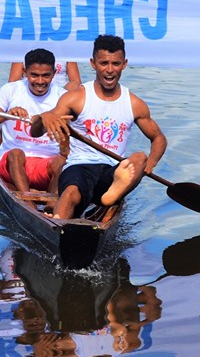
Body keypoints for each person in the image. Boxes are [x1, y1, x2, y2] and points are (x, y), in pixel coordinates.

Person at [31, 35, 167, 220]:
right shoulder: (75, 98)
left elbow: (158, 138)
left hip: (111, 172)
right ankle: (58, 227)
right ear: (93, 63)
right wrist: (42, 118)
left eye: (115, 63)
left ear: (124, 64)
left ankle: (113, 192)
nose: (110, 70)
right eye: (104, 63)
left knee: (140, 158)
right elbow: (36, 132)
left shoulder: (134, 104)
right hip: (79, 167)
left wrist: (150, 165)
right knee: (71, 193)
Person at [0, 48, 69, 194]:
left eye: (46, 76)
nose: (40, 81)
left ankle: (53, 207)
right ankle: (28, 201)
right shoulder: (10, 90)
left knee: (62, 162)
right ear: (24, 72)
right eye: (34, 75)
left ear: (54, 73)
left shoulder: (62, 96)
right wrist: (6, 115)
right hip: (13, 164)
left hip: (46, 165)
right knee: (16, 154)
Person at [9, 60, 81, 91]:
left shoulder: (67, 51)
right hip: (31, 92)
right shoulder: (20, 52)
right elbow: (13, 82)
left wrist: (61, 97)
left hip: (61, 95)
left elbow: (76, 82)